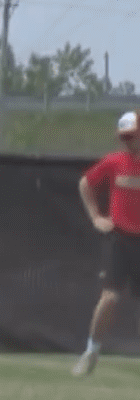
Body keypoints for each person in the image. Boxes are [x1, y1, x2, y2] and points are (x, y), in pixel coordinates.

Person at [72, 111, 140, 376]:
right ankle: (91, 351)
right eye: (124, 137)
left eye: (132, 136)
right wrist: (96, 218)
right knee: (109, 298)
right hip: (119, 239)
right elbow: (85, 184)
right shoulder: (114, 161)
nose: (127, 141)